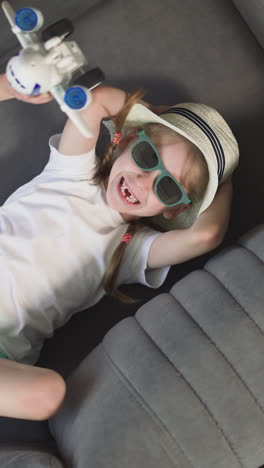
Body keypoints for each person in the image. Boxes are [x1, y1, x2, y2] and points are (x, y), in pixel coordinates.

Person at [0, 73, 239, 421]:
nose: (143, 181)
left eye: (168, 188)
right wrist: (152, 112)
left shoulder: (129, 250)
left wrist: (221, 177)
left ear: (174, 208)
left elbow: (205, 236)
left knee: (48, 395)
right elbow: (96, 100)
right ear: (126, 140)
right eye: (145, 155)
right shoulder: (72, 173)